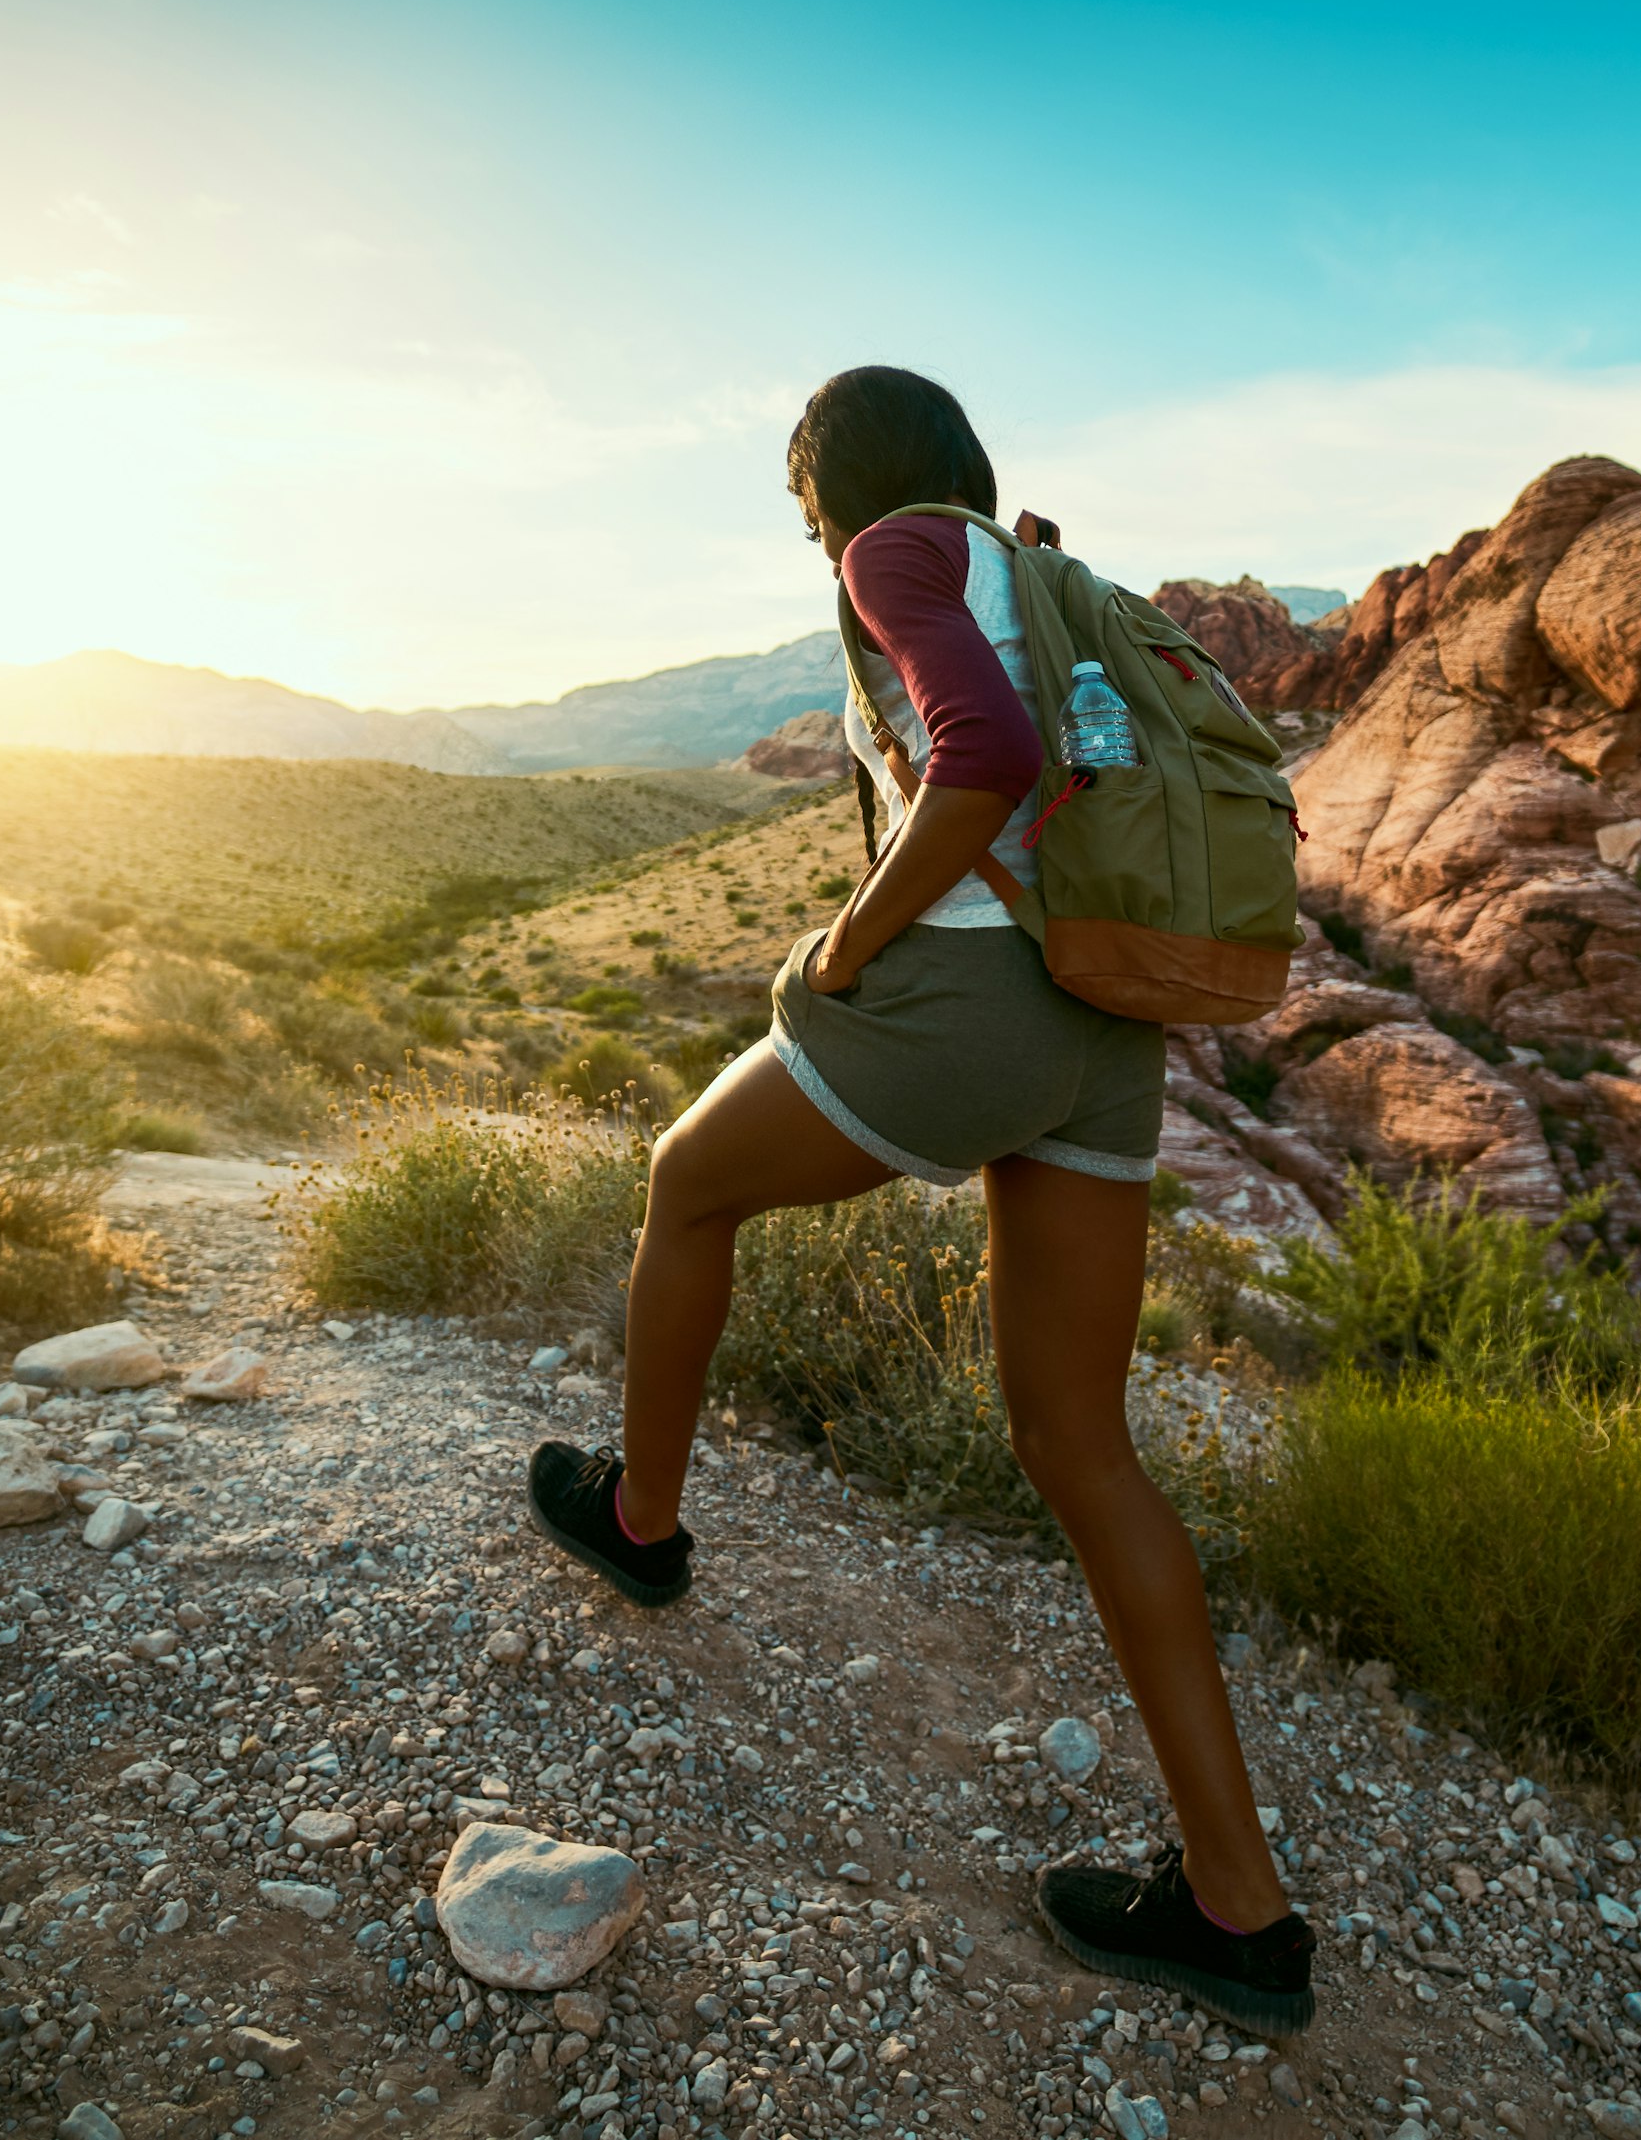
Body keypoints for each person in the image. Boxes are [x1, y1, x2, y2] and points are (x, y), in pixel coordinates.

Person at [526, 363, 1314, 2034]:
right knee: (1081, 1442)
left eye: (805, 499)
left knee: (682, 1181)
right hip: (1108, 1019)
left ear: (835, 484)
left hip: (967, 1006)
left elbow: (984, 755)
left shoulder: (895, 552)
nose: (814, 530)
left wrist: (849, 944)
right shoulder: (1041, 570)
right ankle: (1241, 1912)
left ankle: (643, 1523)